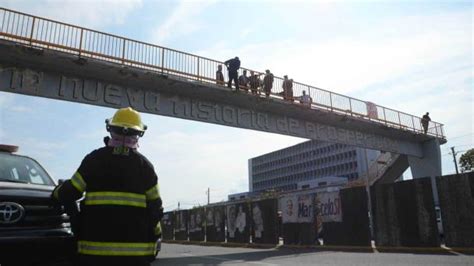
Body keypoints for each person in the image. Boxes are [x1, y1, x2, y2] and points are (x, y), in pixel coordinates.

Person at [52, 107, 163, 266]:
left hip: (94, 253)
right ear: (138, 134)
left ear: (111, 130)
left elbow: (71, 192)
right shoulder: (145, 166)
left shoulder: (94, 160)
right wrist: (156, 237)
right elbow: (155, 208)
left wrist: (56, 193)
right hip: (136, 256)